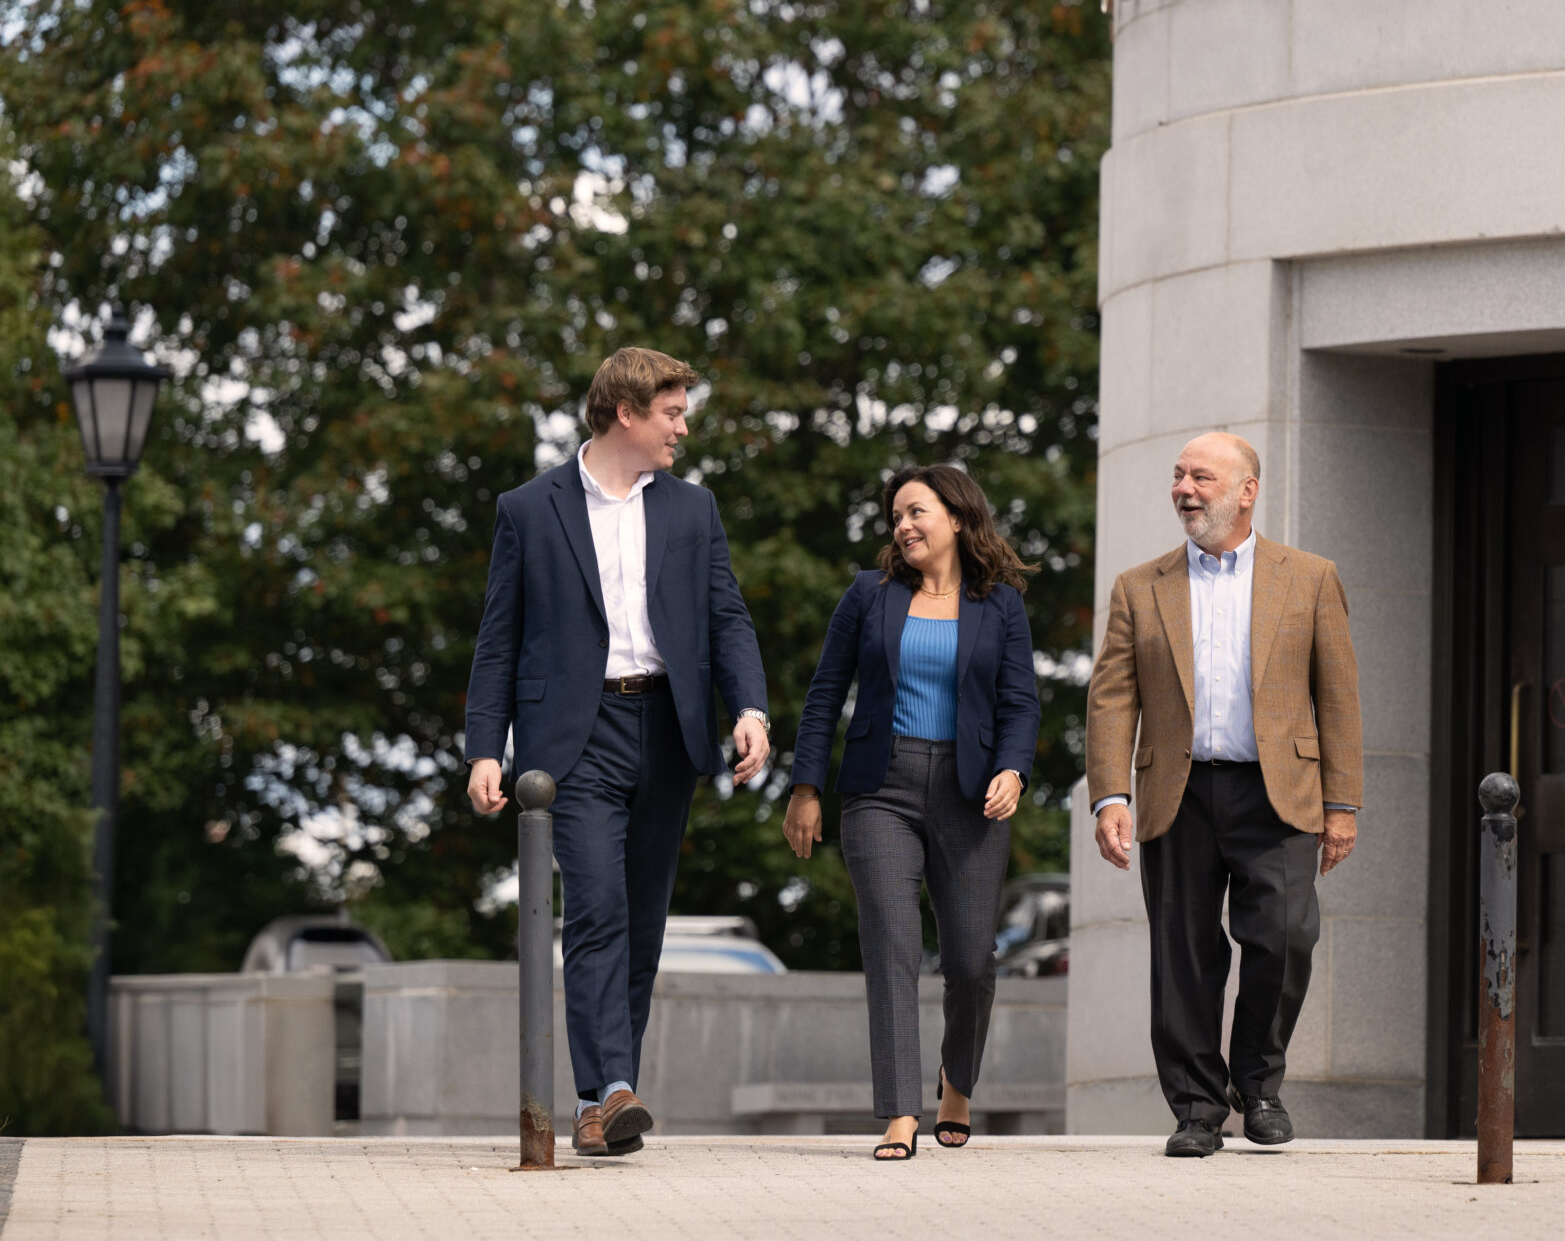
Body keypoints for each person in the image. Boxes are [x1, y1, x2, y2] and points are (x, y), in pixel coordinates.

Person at [465, 347, 772, 1157]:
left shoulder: (693, 508)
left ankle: (602, 1107)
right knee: (596, 909)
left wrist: (750, 708)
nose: (683, 426)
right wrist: (482, 749)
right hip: (576, 734)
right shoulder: (530, 509)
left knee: (641, 924)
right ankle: (609, 1088)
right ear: (626, 413)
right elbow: (498, 640)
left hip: (669, 730)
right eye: (672, 412)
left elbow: (726, 617)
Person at [1086, 433, 1362, 1158]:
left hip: (1279, 792)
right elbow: (1111, 698)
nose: (1185, 488)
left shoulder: (1308, 578)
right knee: (1183, 953)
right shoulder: (1138, 586)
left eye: (1201, 476)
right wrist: (1109, 794)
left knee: (1286, 935)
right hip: (1177, 791)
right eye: (1178, 476)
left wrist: (1343, 803)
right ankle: (1198, 1107)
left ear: (1247, 490)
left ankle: (1259, 1085)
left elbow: (1338, 696)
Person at [786, 463, 1039, 1161]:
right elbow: (825, 691)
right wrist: (806, 786)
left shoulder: (1002, 605)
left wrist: (1014, 769)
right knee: (893, 946)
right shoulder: (869, 595)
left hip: (971, 791)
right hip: (880, 788)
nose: (902, 525)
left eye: (916, 511)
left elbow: (1022, 703)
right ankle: (899, 1110)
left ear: (956, 518)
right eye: (895, 514)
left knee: (971, 959)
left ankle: (956, 1082)